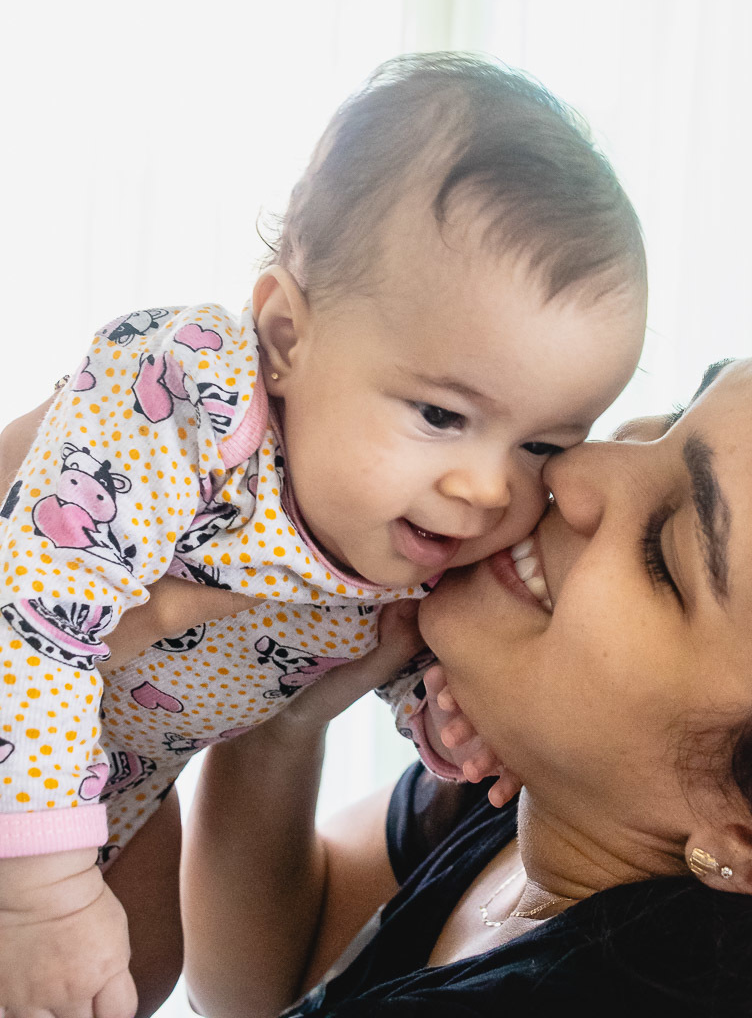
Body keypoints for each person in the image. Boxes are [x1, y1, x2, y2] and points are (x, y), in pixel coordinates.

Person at [0, 53, 648, 1017]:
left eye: (544, 443)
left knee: (136, 975)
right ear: (288, 338)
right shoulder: (195, 399)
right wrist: (43, 898)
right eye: (439, 415)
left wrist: (439, 711)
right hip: (28, 739)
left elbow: (382, 653)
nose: (483, 487)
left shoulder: (416, 543)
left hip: (120, 784)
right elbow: (33, 610)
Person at [181, 329, 752, 1017]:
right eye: (679, 413)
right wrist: (282, 714)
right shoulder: (555, 775)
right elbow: (271, 976)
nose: (577, 467)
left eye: (662, 555)